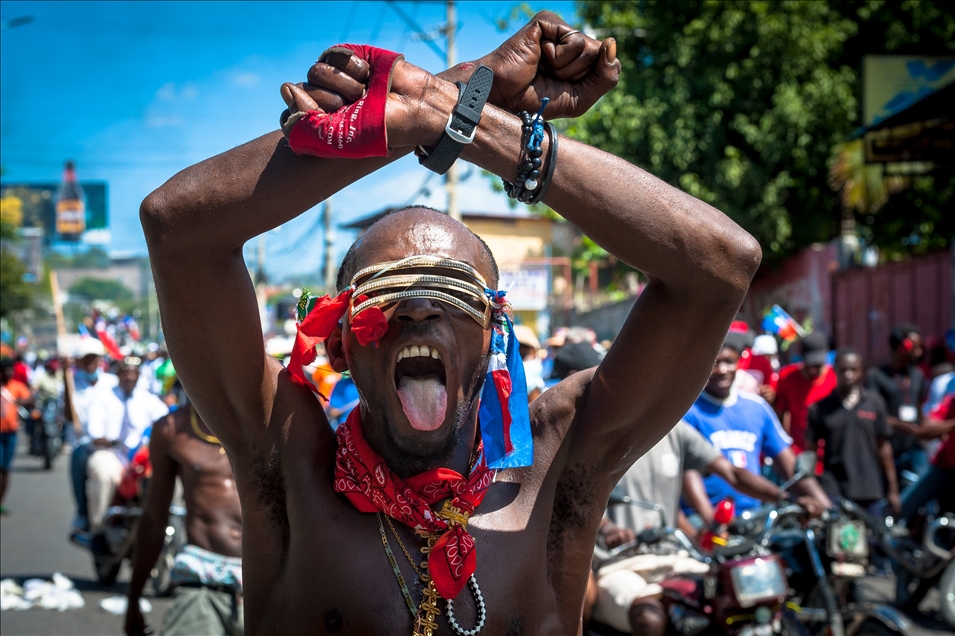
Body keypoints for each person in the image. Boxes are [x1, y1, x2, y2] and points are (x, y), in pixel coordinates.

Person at [141, 13, 763, 633]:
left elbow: (719, 268)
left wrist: (453, 106)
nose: (416, 309)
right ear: (342, 345)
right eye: (385, 296)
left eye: (452, 292)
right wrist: (435, 103)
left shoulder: (556, 470)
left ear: (496, 336)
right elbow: (177, 229)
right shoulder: (287, 468)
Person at [589, 421, 819, 635]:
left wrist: (785, 499)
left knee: (736, 596)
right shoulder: (594, 434)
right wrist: (608, 528)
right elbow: (574, 496)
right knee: (650, 618)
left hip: (676, 556)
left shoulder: (672, 427)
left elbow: (732, 473)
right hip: (619, 564)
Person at [125, 399, 243, 636]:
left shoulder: (275, 420)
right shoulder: (172, 429)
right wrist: (133, 599)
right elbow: (154, 520)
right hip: (203, 583)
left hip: (273, 584)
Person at [682, 333, 831, 514]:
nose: (722, 369)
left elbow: (789, 464)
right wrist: (711, 525)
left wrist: (827, 508)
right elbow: (688, 473)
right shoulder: (687, 413)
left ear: (739, 363)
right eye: (715, 363)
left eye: (729, 362)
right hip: (703, 520)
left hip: (755, 517)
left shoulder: (757, 408)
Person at [805, 348, 900, 514]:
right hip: (834, 489)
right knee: (837, 538)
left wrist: (893, 490)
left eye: (853, 370)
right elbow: (810, 452)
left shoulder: (874, 403)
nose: (848, 375)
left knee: (872, 539)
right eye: (843, 370)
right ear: (834, 370)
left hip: (869, 488)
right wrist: (810, 490)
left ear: (861, 371)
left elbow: (884, 447)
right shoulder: (819, 408)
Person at [81, 357, 168, 532]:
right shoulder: (102, 398)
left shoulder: (148, 399)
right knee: (104, 474)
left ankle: (168, 524)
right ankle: (99, 528)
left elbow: (165, 421)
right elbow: (94, 431)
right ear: (118, 374)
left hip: (142, 455)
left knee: (170, 472)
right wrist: (104, 439)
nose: (129, 377)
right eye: (125, 372)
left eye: (134, 373)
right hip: (110, 452)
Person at [64, 338, 120, 530]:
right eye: (85, 359)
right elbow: (68, 418)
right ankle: (82, 512)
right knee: (78, 457)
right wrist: (65, 380)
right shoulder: (71, 385)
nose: (90, 363)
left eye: (93, 358)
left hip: (113, 444)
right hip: (85, 442)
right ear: (78, 361)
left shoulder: (113, 382)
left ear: (100, 360)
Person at [865, 324, 929, 480]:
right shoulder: (876, 376)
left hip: (914, 449)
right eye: (916, 347)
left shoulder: (918, 375)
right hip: (888, 449)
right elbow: (871, 413)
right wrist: (894, 424)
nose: (919, 352)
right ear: (903, 346)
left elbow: (920, 410)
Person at [774, 332, 836, 454]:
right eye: (811, 364)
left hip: (829, 454)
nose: (815, 369)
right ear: (802, 357)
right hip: (798, 452)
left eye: (819, 364)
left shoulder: (834, 378)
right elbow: (780, 415)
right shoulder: (787, 377)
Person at [1, 359, 34, 513]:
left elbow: (30, 399)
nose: (8, 373)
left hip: (11, 434)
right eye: (5, 370)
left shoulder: (16, 386)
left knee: (6, 469)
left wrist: (21, 401)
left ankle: (1, 501)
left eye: (10, 370)